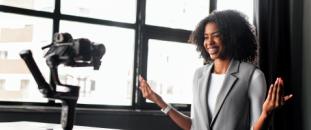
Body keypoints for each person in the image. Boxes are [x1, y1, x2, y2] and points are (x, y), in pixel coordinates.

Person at [139, 9, 293, 130]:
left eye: (216, 35)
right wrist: (159, 101)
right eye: (205, 37)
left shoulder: (253, 76)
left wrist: (266, 113)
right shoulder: (199, 75)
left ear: (232, 37)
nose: (209, 42)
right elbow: (195, 126)